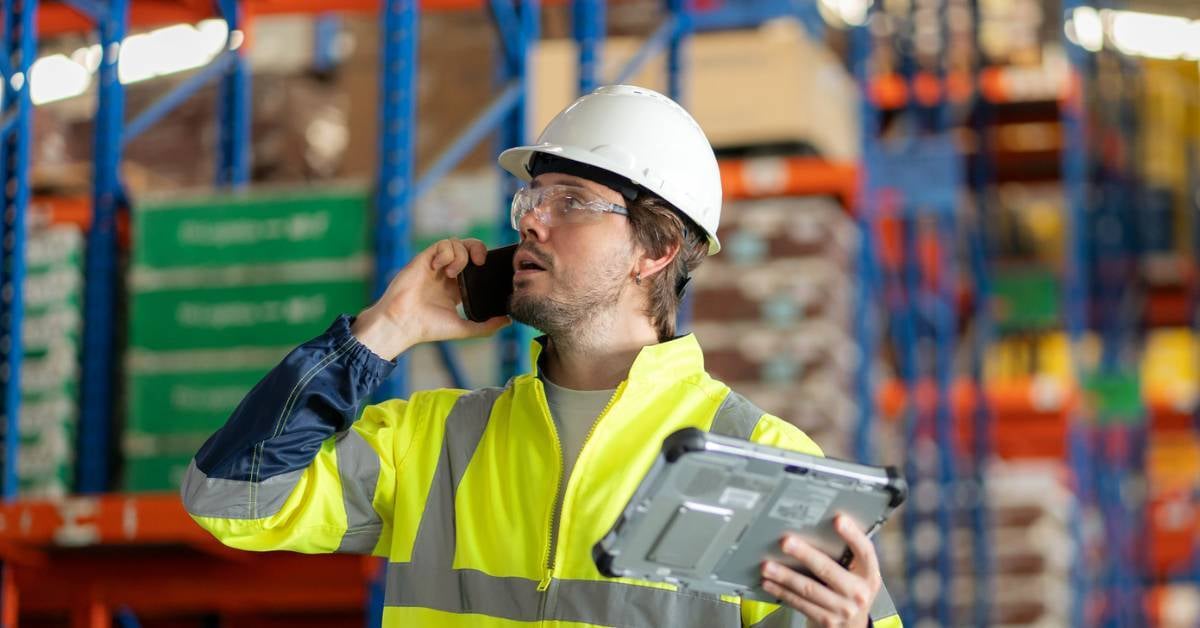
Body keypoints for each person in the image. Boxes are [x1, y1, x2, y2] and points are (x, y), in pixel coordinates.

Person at [182, 85, 901, 628]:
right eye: (531, 197)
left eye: (570, 201)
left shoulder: (764, 464)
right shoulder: (433, 444)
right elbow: (229, 499)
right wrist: (386, 328)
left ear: (655, 249)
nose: (530, 218)